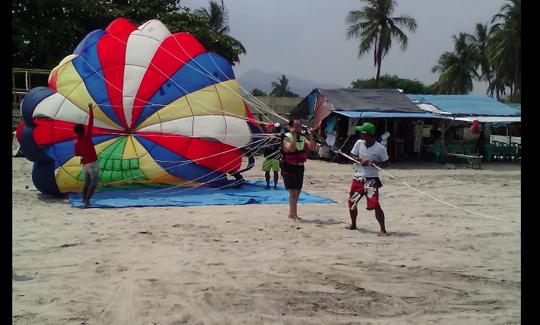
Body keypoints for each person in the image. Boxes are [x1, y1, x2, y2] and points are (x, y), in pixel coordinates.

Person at [346, 122, 390, 235]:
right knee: (352, 202)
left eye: (362, 132)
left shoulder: (380, 148)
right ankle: (353, 224)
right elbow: (351, 157)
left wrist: (374, 163)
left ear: (366, 134)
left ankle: (383, 229)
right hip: (358, 178)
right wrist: (361, 161)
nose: (360, 134)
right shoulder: (359, 143)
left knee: (375, 204)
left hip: (371, 180)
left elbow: (386, 163)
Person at [281, 117, 319, 222]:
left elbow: (312, 148)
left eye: (299, 126)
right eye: (296, 126)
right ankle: (295, 215)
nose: (298, 128)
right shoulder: (286, 137)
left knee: (297, 192)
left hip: (300, 167)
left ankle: (291, 213)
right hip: (289, 167)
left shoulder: (302, 137)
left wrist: (311, 137)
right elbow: (291, 149)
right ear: (291, 127)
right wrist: (294, 136)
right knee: (293, 192)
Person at [74, 103, 99, 208]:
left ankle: (84, 199)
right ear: (83, 130)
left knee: (86, 182)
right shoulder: (87, 136)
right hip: (92, 163)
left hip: (85, 164)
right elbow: (91, 121)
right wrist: (90, 109)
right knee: (94, 183)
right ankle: (87, 201)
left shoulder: (76, 142)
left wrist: (83, 152)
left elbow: (77, 154)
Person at [262, 123, 281, 189]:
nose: (272, 128)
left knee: (275, 172)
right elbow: (263, 129)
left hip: (275, 157)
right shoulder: (268, 136)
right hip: (268, 156)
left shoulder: (279, 137)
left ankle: (275, 185)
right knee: (267, 171)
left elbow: (278, 145)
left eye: (274, 127)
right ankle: (268, 184)